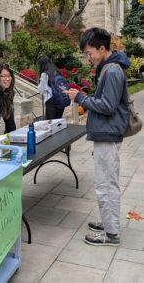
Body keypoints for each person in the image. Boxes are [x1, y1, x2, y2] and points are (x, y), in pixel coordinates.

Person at [63, 28, 130, 246]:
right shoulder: (108, 68)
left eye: (90, 53)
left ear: (102, 48)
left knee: (106, 184)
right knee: (106, 182)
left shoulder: (111, 71)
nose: (88, 58)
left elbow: (108, 106)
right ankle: (107, 222)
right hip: (106, 132)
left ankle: (111, 234)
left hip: (108, 133)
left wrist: (80, 98)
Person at [38, 55, 65, 120]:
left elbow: (41, 90)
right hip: (61, 100)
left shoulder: (45, 74)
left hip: (51, 101)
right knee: (58, 123)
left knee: (50, 123)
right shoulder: (57, 72)